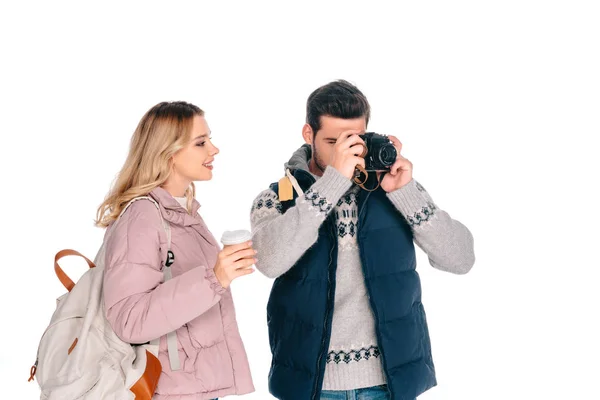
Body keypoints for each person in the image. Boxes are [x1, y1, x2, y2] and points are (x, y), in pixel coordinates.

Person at [250, 80, 475, 400]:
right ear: (307, 134)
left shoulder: (393, 189)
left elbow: (461, 258)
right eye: (331, 141)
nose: (342, 150)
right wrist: (332, 183)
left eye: (352, 139)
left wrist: (405, 193)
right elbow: (270, 262)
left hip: (388, 382)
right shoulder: (277, 197)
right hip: (313, 385)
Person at [96, 101, 255, 400]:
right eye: (201, 142)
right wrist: (214, 279)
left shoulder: (182, 213)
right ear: (167, 152)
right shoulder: (142, 217)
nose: (214, 149)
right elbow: (129, 320)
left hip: (194, 389)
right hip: (168, 392)